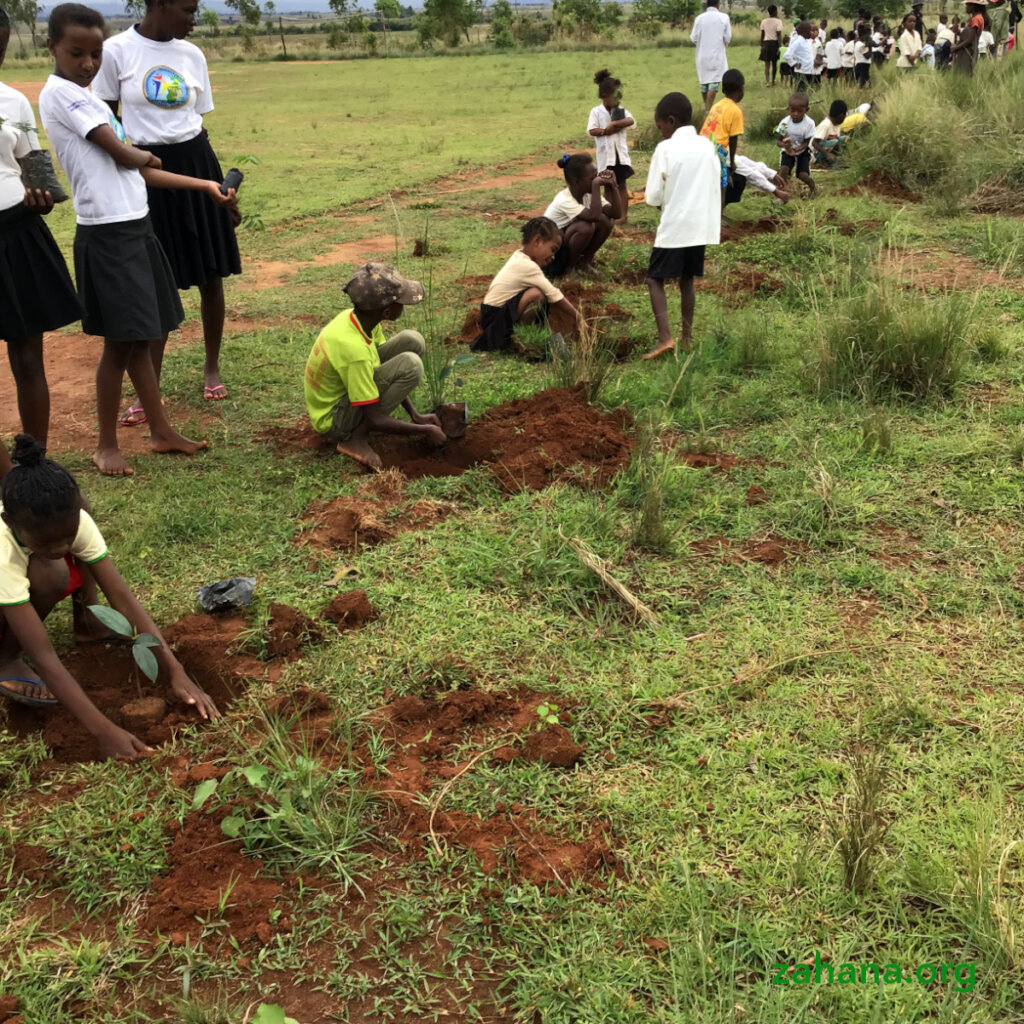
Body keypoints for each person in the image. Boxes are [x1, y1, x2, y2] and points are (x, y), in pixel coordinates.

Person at [39, 3, 236, 477]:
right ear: (52, 49)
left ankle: (161, 429)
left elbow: (143, 173)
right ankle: (106, 444)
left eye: (95, 53)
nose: (88, 63)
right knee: (121, 344)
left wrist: (203, 186)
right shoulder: (63, 96)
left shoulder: (84, 94)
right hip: (107, 234)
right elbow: (126, 157)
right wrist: (146, 153)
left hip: (135, 223)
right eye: (76, 53)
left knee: (143, 332)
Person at [0, 434, 219, 757]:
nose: (61, 548)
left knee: (53, 570)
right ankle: (5, 659)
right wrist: (104, 731)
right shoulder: (4, 549)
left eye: (68, 537)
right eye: (47, 543)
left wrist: (175, 670)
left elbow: (123, 599)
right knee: (51, 572)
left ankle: (83, 625)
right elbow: (45, 656)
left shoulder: (71, 521)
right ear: (10, 522)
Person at [93, 0, 243, 424]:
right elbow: (107, 120)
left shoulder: (191, 54)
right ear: (159, 4)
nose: (195, 18)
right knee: (155, 282)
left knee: (211, 273)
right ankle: (149, 387)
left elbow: (195, 123)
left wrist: (220, 186)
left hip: (197, 163)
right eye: (188, 9)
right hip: (145, 169)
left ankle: (211, 365)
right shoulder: (116, 51)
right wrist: (128, 169)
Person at [0, 6, 82, 449]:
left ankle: (35, 464)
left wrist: (42, 201)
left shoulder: (12, 102)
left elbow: (40, 180)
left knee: (29, 359)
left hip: (16, 234)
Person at [304, 262, 445, 472]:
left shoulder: (360, 319)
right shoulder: (354, 350)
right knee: (412, 365)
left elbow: (384, 368)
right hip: (334, 419)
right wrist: (425, 430)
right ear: (387, 312)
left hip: (347, 393)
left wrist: (416, 415)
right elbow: (375, 418)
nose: (404, 306)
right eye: (401, 302)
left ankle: (359, 433)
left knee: (412, 341)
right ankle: (355, 439)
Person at [642, 92, 720, 361]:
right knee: (687, 279)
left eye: (660, 126)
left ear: (671, 121)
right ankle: (686, 337)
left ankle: (665, 338)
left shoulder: (665, 149)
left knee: (654, 278)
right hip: (700, 226)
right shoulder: (706, 145)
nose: (661, 132)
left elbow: (652, 197)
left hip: (675, 225)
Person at [470, 218, 581, 353]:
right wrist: (578, 317)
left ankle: (524, 335)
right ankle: (521, 338)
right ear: (537, 241)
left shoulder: (519, 256)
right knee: (536, 295)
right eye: (552, 250)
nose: (553, 257)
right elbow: (554, 294)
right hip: (494, 319)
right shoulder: (527, 266)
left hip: (492, 314)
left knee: (538, 293)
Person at [543, 153, 622, 279]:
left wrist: (613, 186)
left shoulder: (588, 195)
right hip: (552, 254)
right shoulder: (564, 199)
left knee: (606, 222)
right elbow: (593, 216)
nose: (597, 180)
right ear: (576, 181)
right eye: (593, 178)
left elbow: (616, 214)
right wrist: (596, 186)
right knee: (585, 227)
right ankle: (568, 269)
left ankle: (584, 262)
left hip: (564, 241)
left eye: (596, 176)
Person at [587, 70, 634, 226]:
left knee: (621, 185)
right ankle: (609, 215)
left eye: (620, 96)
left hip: (620, 156)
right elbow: (591, 130)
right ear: (604, 96)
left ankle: (623, 216)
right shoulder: (596, 111)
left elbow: (631, 121)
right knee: (608, 187)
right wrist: (604, 131)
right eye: (615, 96)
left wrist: (616, 124)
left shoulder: (619, 111)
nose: (619, 99)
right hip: (606, 157)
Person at [700, 68, 744, 197]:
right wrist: (732, 161)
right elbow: (733, 139)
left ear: (723, 90)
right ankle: (717, 215)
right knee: (722, 184)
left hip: (702, 144)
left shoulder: (717, 105)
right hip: (716, 149)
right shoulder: (735, 111)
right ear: (741, 90)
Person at [691, 0, 732, 109]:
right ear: (718, 4)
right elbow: (727, 38)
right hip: (717, 55)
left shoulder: (699, 19)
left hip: (702, 56)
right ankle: (708, 109)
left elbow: (693, 38)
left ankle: (706, 107)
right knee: (713, 83)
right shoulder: (724, 18)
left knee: (704, 83)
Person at [775, 92, 816, 195]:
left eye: (799, 111)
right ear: (788, 109)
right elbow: (778, 141)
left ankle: (813, 188)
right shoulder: (785, 123)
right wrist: (785, 146)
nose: (795, 114)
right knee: (784, 170)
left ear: (806, 110)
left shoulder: (809, 123)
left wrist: (796, 149)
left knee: (802, 175)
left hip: (803, 152)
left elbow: (807, 143)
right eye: (792, 111)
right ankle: (782, 192)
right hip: (787, 151)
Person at [811, 99, 848, 167]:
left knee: (845, 139)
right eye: (845, 115)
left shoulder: (837, 125)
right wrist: (827, 154)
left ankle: (840, 159)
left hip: (827, 147)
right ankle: (828, 162)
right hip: (816, 153)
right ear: (841, 115)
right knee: (835, 142)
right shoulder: (826, 124)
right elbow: (814, 143)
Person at [952, 1, 986, 71]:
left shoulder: (976, 19)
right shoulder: (974, 18)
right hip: (967, 49)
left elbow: (969, 40)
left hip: (969, 51)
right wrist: (958, 31)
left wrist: (956, 48)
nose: (965, 7)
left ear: (972, 6)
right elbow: (967, 35)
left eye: (967, 5)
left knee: (964, 72)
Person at [784, 22, 815, 90]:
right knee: (800, 91)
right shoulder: (798, 42)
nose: (812, 32)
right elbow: (787, 55)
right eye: (810, 31)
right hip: (802, 72)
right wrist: (795, 64)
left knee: (807, 91)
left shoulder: (807, 41)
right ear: (805, 32)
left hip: (808, 70)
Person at [760, 5, 784, 85]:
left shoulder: (764, 21)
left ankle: (767, 81)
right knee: (774, 64)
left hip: (766, 43)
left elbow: (762, 34)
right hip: (774, 43)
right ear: (775, 12)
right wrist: (779, 46)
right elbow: (779, 34)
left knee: (767, 64)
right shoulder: (778, 21)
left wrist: (761, 45)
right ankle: (773, 81)